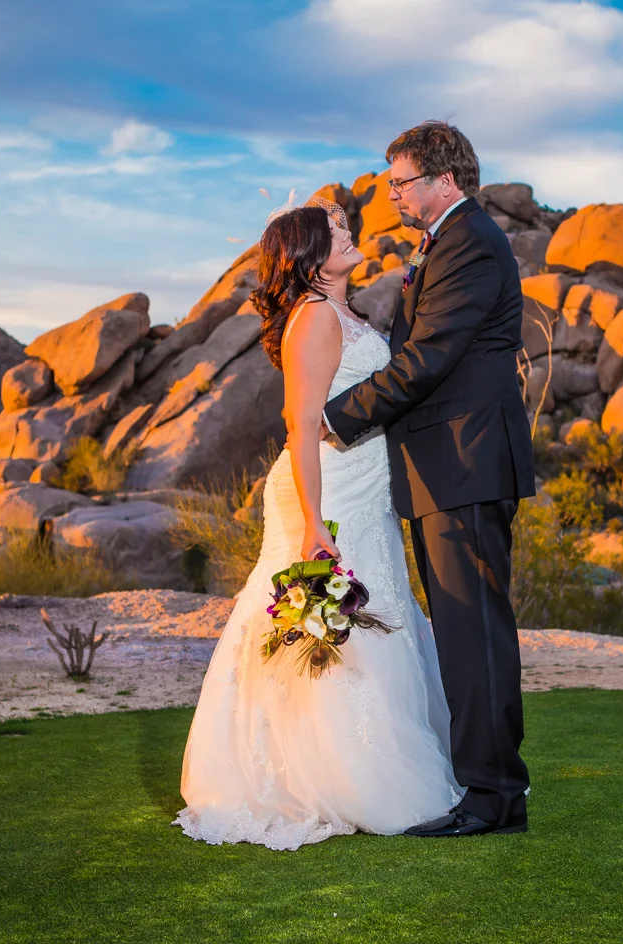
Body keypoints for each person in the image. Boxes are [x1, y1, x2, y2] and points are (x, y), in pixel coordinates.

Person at [174, 199, 460, 851]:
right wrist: (313, 525)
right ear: (307, 259)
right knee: (327, 628)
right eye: (333, 233)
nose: (348, 232)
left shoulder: (345, 312)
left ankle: (372, 768)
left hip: (365, 489)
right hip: (326, 493)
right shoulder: (315, 317)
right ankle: (331, 778)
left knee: (373, 619)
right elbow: (300, 427)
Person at [323, 121, 535, 837]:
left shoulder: (470, 241)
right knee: (461, 631)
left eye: (401, 181)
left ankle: (492, 797)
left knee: (472, 633)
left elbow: (427, 362)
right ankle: (491, 788)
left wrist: (336, 418)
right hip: (445, 468)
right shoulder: (446, 241)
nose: (392, 194)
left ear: (445, 179)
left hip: (465, 465)